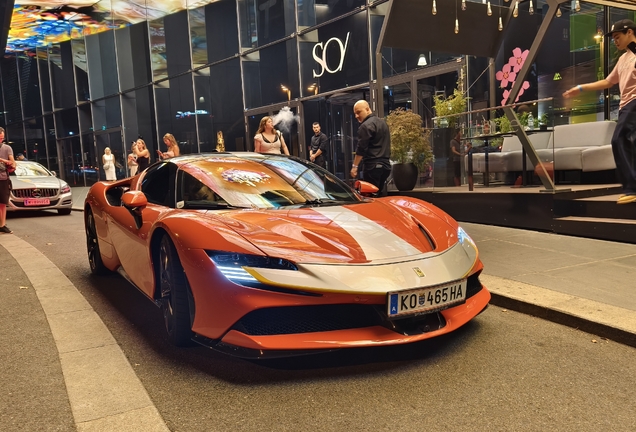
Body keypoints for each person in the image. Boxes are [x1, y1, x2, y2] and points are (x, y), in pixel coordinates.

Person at [563, 19, 636, 204]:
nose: (615, 42)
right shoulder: (623, 58)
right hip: (625, 105)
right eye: (613, 39)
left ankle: (631, 187)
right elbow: (608, 82)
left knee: (618, 139)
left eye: (618, 37)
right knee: (629, 144)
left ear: (630, 32)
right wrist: (580, 88)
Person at [350, 100, 392, 194]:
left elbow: (361, 148)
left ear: (367, 109)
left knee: (370, 196)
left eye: (358, 112)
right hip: (386, 166)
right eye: (355, 113)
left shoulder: (365, 126)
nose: (356, 116)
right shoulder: (383, 123)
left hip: (372, 166)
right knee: (379, 194)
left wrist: (354, 166)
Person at [0, 128, 16, 234]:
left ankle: (2, 225)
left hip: (3, 178)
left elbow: (13, 163)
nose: (1, 139)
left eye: (2, 137)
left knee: (2, 202)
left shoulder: (7, 148)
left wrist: (2, 160)